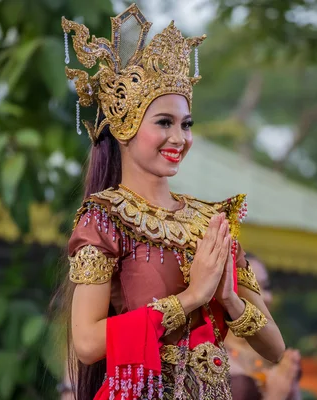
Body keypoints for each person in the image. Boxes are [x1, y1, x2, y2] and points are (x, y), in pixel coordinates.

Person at [54, 4, 285, 400]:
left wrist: (227, 297)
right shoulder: (104, 219)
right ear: (125, 125)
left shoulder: (211, 221)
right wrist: (192, 298)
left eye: (186, 124)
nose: (179, 138)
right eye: (164, 122)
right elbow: (88, 342)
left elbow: (275, 348)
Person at [226, 254, 302, 400]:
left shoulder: (278, 356)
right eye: (251, 286)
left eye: (265, 287)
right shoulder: (210, 353)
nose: (265, 297)